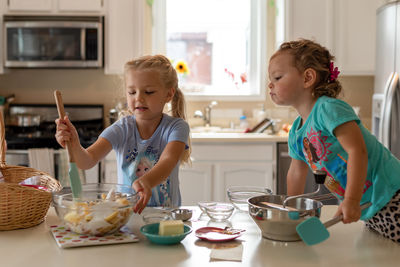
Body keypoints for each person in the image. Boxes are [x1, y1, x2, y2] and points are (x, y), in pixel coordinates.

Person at [267, 39, 400, 243]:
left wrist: (351, 200)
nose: (270, 84)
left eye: (277, 77)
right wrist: (291, 213)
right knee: (386, 254)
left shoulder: (328, 109)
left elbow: (357, 151)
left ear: (307, 77)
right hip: (369, 207)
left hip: (392, 194)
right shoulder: (296, 131)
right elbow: (296, 171)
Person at [55, 54, 191, 214]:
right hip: (128, 216)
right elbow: (87, 161)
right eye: (132, 92)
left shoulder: (177, 127)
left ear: (169, 94)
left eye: (148, 92)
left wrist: (146, 181)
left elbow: (168, 161)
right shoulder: (122, 128)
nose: (139, 98)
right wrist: (74, 144)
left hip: (166, 216)